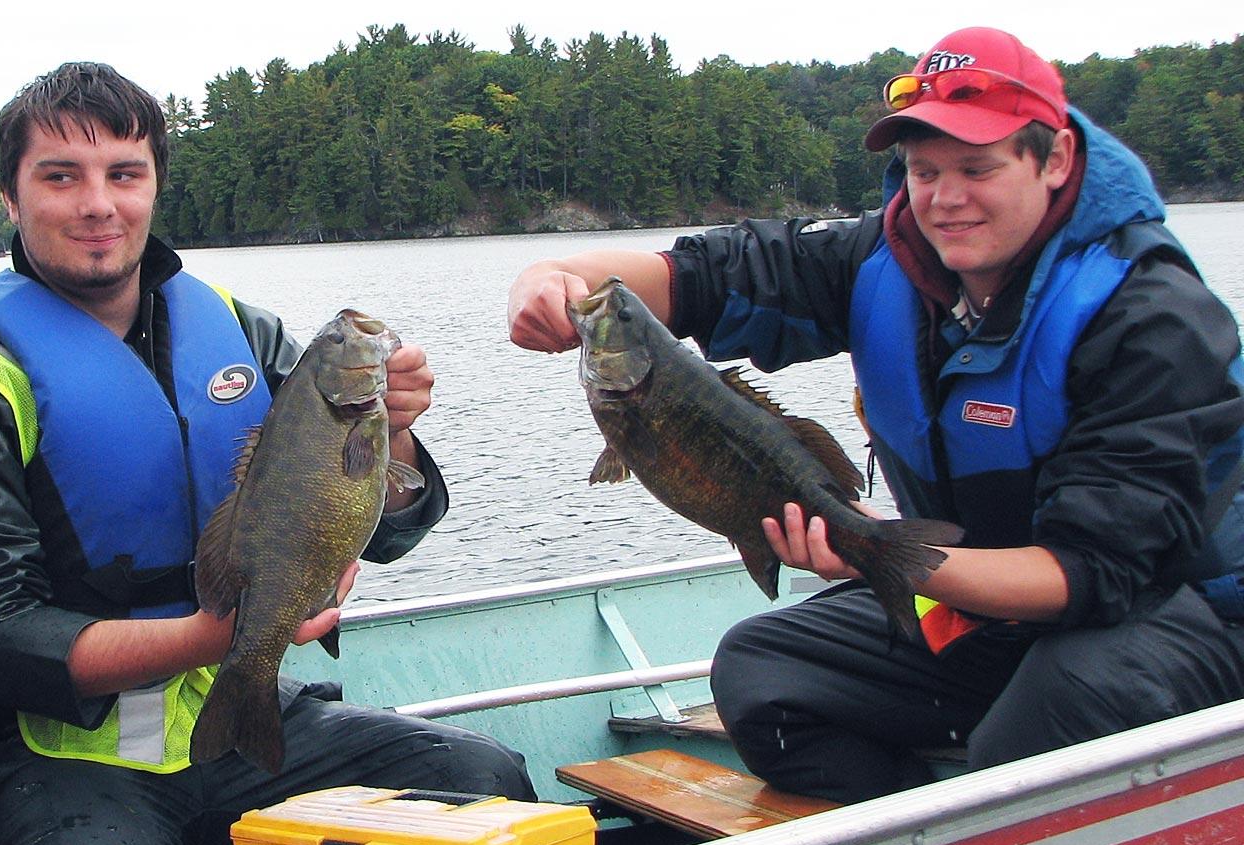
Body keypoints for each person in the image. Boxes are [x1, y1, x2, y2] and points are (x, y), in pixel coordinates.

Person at [506, 26, 1244, 804]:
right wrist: (551, 273)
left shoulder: (1150, 316)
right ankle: (908, 835)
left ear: (1054, 160)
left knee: (1046, 727)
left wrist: (870, 550)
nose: (945, 197)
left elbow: (1092, 573)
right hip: (985, 602)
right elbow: (699, 274)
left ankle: (986, 824)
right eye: (924, 171)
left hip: (1178, 616)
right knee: (763, 674)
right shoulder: (881, 257)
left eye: (976, 168)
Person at [0, 61, 535, 845]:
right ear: (10, 195)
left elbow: (385, 532)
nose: (99, 204)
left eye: (125, 174)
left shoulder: (240, 328)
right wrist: (215, 637)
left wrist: (396, 434)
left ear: (155, 185)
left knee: (482, 784)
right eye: (61, 176)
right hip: (54, 756)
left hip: (234, 707)